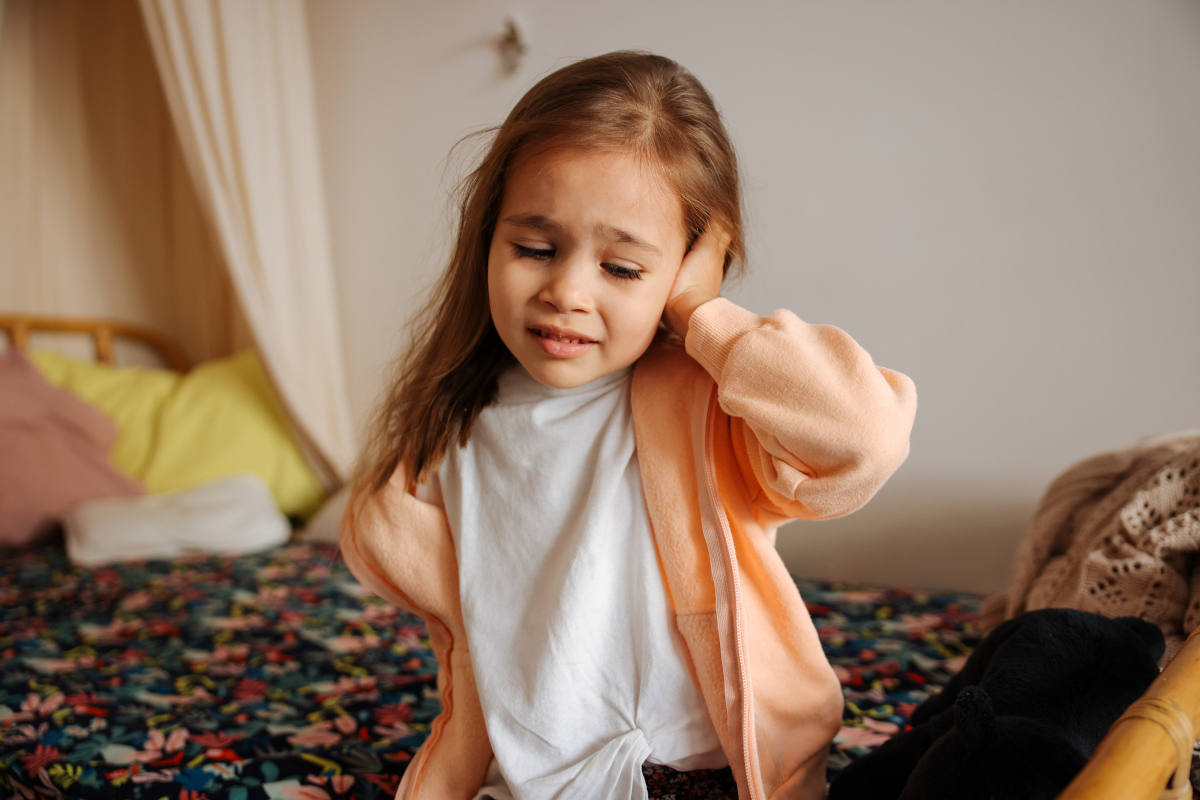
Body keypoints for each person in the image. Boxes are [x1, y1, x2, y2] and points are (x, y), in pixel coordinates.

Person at [340, 50, 918, 800]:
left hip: (702, 776)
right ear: (488, 237)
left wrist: (702, 315)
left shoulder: (710, 405)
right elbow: (472, 651)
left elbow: (863, 438)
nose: (567, 291)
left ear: (689, 264)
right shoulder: (456, 426)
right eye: (535, 249)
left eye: (622, 269)